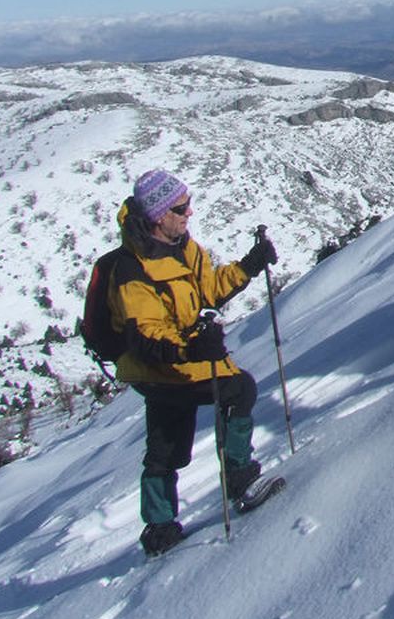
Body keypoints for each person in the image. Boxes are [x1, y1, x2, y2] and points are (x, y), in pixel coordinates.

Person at [107, 168, 278, 555]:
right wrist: (191, 349)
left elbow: (208, 289)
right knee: (239, 389)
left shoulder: (183, 246)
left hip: (175, 359)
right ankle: (240, 478)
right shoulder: (132, 271)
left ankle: (159, 529)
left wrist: (250, 264)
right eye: (181, 208)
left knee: (165, 444)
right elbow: (146, 336)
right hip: (157, 366)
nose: (190, 213)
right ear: (158, 214)